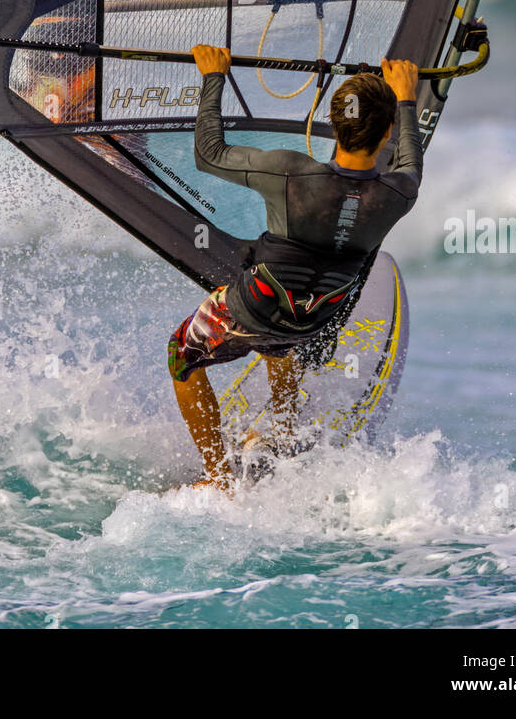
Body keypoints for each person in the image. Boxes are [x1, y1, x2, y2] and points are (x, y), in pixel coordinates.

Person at [168, 45, 422, 489]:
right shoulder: (400, 193)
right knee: (285, 328)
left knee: (180, 356)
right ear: (385, 137)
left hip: (252, 310)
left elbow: (209, 154)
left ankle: (219, 480)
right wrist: (405, 99)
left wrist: (214, 76)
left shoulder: (291, 173)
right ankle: (283, 430)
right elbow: (410, 161)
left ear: (334, 123)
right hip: (314, 321)